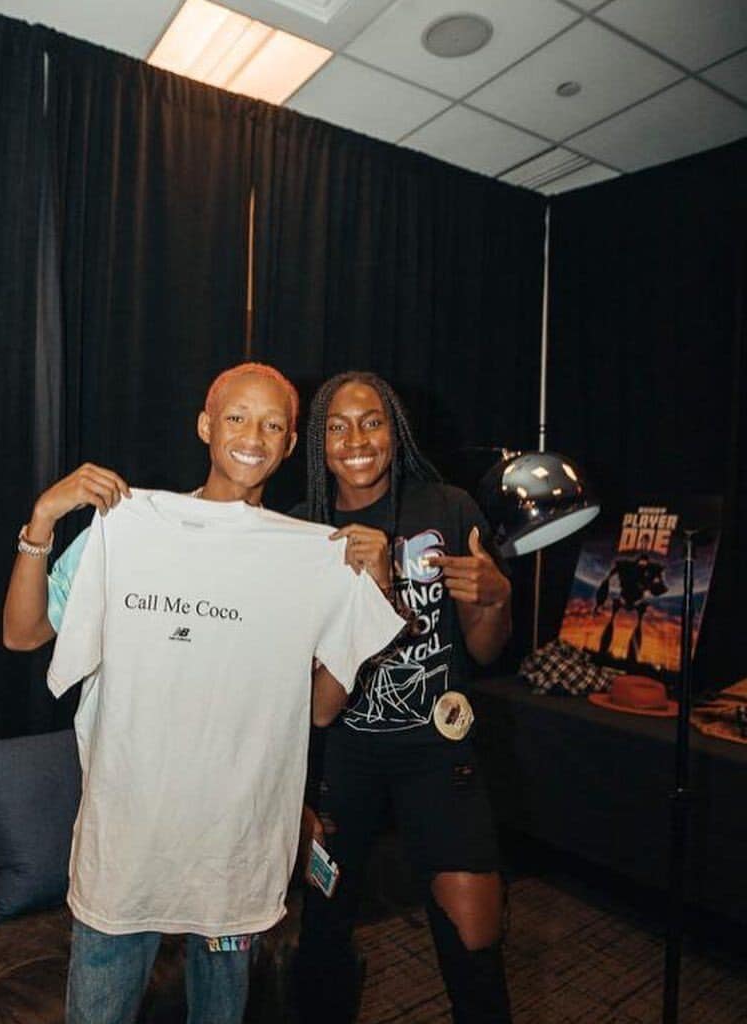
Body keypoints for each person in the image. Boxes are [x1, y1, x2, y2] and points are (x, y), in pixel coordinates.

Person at [2, 363, 406, 1024]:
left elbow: (322, 707)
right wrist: (43, 520)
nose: (254, 435)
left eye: (273, 423)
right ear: (205, 425)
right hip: (126, 840)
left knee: (220, 1011)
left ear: (289, 441)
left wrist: (375, 591)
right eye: (238, 417)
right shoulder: (126, 529)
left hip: (235, 847)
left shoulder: (307, 557)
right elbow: (22, 636)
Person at [293, 371, 513, 1024]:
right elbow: (306, 692)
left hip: (438, 749)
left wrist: (496, 599)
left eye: (371, 421)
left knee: (476, 941)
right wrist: (375, 589)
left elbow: (483, 649)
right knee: (324, 938)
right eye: (337, 425)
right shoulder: (304, 530)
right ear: (317, 442)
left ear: (397, 430)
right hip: (341, 757)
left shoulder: (447, 508)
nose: (356, 438)